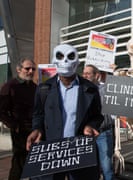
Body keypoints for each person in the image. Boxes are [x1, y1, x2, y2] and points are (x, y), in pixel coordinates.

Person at [26, 44, 103, 180]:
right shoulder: (44, 89)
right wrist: (37, 129)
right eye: (60, 56)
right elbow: (38, 114)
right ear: (54, 61)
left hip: (79, 151)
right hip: (52, 152)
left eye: (70, 57)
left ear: (77, 62)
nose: (65, 61)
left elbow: (97, 116)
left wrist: (90, 126)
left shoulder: (90, 88)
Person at [0, 58, 37, 180]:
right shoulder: (10, 86)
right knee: (19, 163)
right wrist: (14, 126)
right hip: (20, 131)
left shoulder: (34, 87)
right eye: (27, 68)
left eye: (33, 69)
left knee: (35, 162)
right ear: (18, 69)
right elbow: (1, 111)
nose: (31, 71)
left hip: (35, 130)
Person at [82, 64, 114, 180]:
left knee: (106, 167)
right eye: (83, 73)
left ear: (97, 75)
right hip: (87, 135)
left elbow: (116, 87)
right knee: (90, 167)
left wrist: (112, 71)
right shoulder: (80, 91)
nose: (85, 75)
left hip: (103, 133)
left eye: (88, 73)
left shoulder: (104, 89)